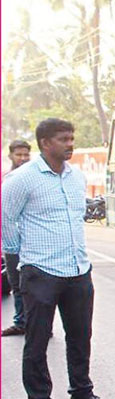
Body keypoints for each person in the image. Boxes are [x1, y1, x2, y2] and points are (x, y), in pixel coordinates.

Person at [1, 118, 115, 399]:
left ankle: (82, 394)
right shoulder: (21, 180)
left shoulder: (76, 177)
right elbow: (6, 222)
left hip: (78, 271)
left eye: (72, 137)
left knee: (80, 337)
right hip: (40, 273)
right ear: (45, 143)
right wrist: (22, 264)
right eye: (64, 139)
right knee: (36, 344)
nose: (70, 143)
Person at [2, 139, 32, 336]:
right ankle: (21, 322)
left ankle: (39, 326)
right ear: (10, 156)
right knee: (17, 285)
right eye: (18, 155)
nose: (22, 158)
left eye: (25, 154)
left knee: (36, 288)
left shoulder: (34, 178)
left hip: (32, 242)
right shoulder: (6, 179)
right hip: (11, 243)